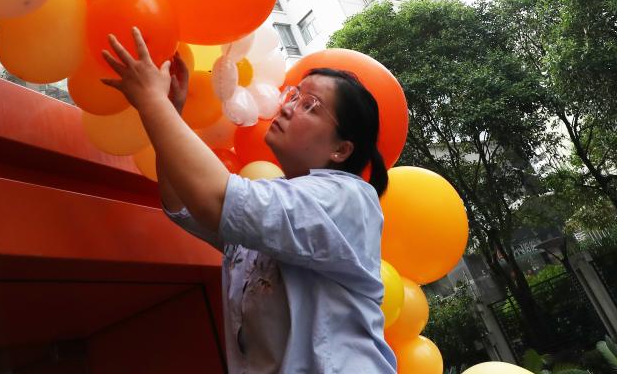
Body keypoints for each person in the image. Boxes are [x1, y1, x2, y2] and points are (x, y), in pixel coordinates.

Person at [101, 28, 398, 374]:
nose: (287, 107)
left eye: (309, 105)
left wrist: (153, 101)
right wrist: (171, 110)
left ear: (341, 150)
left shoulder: (347, 198)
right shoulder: (281, 201)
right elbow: (182, 204)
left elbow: (215, 199)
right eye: (293, 95)